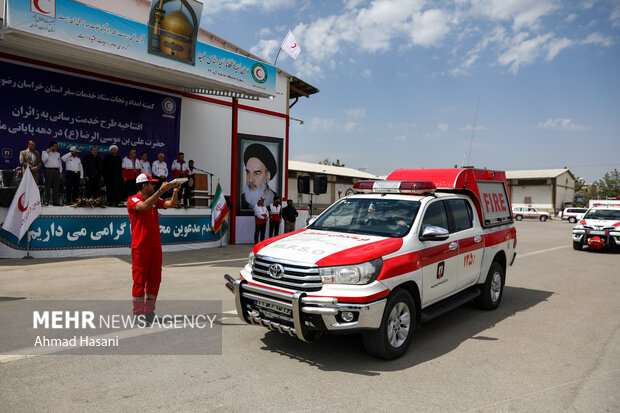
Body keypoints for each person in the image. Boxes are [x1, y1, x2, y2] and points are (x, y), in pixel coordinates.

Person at [127, 173, 180, 323]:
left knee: (155, 280)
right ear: (144, 185)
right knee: (139, 281)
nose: (154, 185)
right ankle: (138, 314)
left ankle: (149, 312)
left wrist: (175, 191)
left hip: (155, 246)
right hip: (141, 247)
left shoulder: (155, 200)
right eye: (151, 184)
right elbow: (144, 206)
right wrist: (161, 191)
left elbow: (171, 205)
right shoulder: (133, 200)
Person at [241, 143, 276, 209]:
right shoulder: (241, 200)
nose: (250, 180)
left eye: (256, 173)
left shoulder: (275, 198)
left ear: (267, 176)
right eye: (248, 172)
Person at [41, 141, 62, 206]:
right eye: (55, 146)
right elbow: (43, 160)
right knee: (48, 186)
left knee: (56, 187)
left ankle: (55, 201)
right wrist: (49, 152)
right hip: (48, 170)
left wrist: (60, 171)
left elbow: (60, 163)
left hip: (56, 171)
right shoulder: (45, 152)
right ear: (51, 146)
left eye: (57, 146)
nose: (56, 147)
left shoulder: (58, 153)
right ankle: (46, 201)